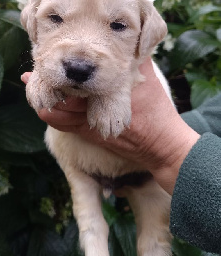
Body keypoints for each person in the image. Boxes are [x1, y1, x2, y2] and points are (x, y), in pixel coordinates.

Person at [21, 58, 221, 253]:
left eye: (116, 25)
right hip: (84, 166)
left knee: (154, 244)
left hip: (148, 174)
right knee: (92, 230)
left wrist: (168, 148)